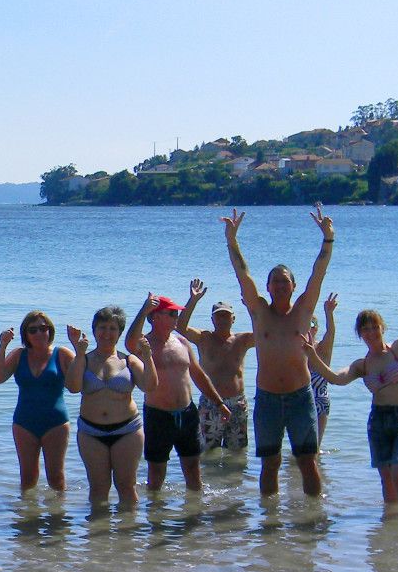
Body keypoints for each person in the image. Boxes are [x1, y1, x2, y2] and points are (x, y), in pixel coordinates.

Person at [222, 203, 334, 496]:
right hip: (268, 399)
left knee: (307, 462)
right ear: (268, 287)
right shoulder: (259, 312)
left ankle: (313, 519)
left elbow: (318, 274)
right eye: (276, 282)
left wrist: (328, 239)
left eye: (286, 282)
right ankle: (269, 526)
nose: (281, 286)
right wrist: (232, 240)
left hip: (300, 397)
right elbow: (243, 274)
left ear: (294, 286)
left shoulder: (302, 312)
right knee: (269, 464)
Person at [303, 281, 398, 511]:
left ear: (382, 328)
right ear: (360, 334)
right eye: (365, 329)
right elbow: (336, 377)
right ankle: (390, 526)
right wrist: (312, 354)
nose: (370, 332)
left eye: (374, 327)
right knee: (386, 478)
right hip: (379, 421)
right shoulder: (363, 365)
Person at [125, 293, 228, 492]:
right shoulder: (145, 345)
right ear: (156, 316)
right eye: (172, 314)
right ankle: (155, 520)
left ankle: (193, 518)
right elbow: (129, 342)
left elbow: (198, 375)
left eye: (176, 314)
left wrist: (219, 403)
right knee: (156, 475)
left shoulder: (182, 342)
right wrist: (144, 310)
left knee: (193, 471)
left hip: (187, 414)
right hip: (158, 416)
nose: (176, 318)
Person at [65, 306, 158, 506]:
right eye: (102, 328)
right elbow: (73, 387)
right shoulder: (85, 358)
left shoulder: (129, 360)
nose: (107, 333)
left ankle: (129, 534)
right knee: (98, 489)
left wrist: (148, 357)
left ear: (120, 332)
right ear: (94, 330)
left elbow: (149, 386)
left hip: (127, 430)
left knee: (126, 486)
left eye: (112, 328)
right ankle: (98, 535)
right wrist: (79, 354)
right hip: (91, 431)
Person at [0, 310, 75, 492]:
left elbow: (77, 386)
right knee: (27, 479)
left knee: (56, 478)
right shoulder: (19, 355)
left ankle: (59, 517)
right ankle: (28, 518)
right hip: (24, 423)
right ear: (26, 334)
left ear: (50, 331)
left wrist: (78, 347)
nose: (39, 333)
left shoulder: (62, 354)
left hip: (56, 424)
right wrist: (3, 345)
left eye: (43, 328)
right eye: (33, 330)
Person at [175, 279, 255, 451]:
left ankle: (233, 479)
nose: (222, 319)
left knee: (237, 452)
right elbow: (180, 327)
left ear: (233, 318)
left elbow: (265, 333)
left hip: (237, 403)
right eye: (218, 315)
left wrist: (251, 307)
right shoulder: (204, 338)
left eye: (226, 315)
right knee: (207, 451)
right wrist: (193, 300)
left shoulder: (242, 340)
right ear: (212, 319)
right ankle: (210, 479)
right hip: (210, 403)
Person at [308, 293, 339, 446]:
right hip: (300, 400)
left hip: (320, 400)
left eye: (312, 325)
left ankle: (317, 466)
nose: (309, 328)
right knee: (299, 447)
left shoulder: (322, 348)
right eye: (306, 324)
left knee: (315, 446)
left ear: (317, 328)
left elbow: (331, 333)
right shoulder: (297, 350)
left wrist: (329, 313)